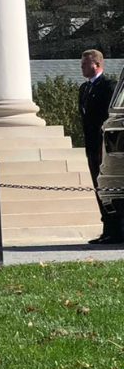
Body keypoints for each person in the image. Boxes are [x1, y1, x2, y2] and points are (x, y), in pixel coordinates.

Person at [81, 49, 121, 244]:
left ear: (97, 65)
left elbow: (109, 117)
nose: (82, 68)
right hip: (90, 146)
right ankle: (106, 228)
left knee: (108, 188)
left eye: (85, 64)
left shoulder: (109, 86)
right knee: (99, 188)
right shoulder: (84, 88)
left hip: (105, 146)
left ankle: (115, 229)